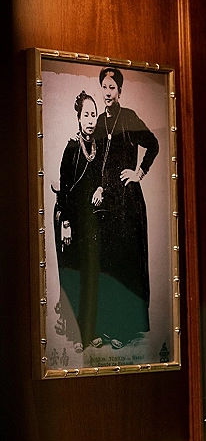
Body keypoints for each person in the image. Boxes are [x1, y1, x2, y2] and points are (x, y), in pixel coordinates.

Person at [93, 66, 159, 349]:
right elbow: (97, 161)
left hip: (127, 203)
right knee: (108, 264)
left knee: (125, 265)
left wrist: (139, 172)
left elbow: (153, 144)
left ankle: (125, 328)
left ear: (120, 90)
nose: (108, 93)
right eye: (104, 88)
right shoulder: (98, 121)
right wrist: (97, 186)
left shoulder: (129, 117)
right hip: (106, 204)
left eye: (112, 88)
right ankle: (107, 327)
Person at [53, 90, 102, 352]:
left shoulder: (99, 147)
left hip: (94, 223)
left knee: (94, 275)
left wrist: (101, 189)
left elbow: (102, 177)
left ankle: (91, 331)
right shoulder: (71, 149)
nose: (91, 119)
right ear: (78, 118)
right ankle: (77, 335)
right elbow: (64, 189)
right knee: (78, 277)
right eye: (86, 115)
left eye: (94, 114)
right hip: (75, 223)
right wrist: (67, 224)